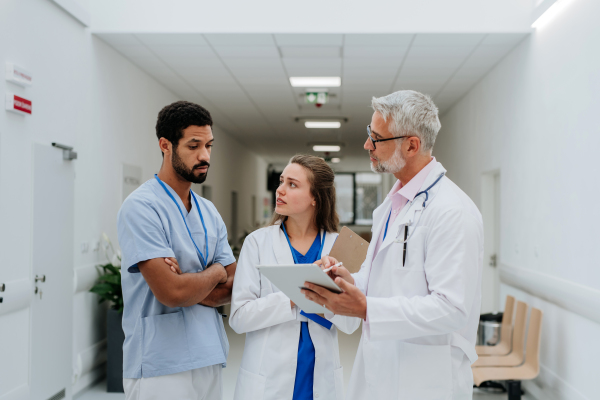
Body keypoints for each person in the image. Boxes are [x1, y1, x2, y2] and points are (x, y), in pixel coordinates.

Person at [302, 90, 484, 400]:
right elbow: (382, 281)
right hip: (380, 370)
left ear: (412, 144)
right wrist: (345, 281)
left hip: (426, 380)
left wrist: (367, 308)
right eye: (368, 134)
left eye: (377, 138)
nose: (367, 145)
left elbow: (452, 309)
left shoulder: (452, 211)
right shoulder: (390, 206)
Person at [117, 101, 236, 400]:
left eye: (209, 145)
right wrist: (215, 271)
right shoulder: (141, 207)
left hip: (209, 354)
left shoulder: (209, 212)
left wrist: (190, 284)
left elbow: (234, 286)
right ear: (166, 145)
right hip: (160, 363)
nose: (205, 155)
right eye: (194, 145)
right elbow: (172, 293)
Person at [229, 155, 360, 400]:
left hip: (319, 377)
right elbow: (238, 317)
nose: (280, 190)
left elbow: (352, 324)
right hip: (268, 379)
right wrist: (296, 295)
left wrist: (331, 294)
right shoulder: (257, 243)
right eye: (281, 181)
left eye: (292, 184)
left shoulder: (339, 245)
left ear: (315, 198)